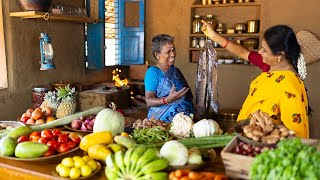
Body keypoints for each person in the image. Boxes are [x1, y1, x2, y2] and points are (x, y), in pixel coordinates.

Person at [201, 20, 311, 138]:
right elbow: (243, 52)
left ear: (280, 55)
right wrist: (212, 35)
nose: (260, 52)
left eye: (264, 50)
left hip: (264, 148)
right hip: (246, 138)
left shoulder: (290, 86)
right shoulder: (270, 65)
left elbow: (295, 135)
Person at [144, 34, 194, 122]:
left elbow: (187, 96)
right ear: (157, 55)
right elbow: (149, 101)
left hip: (182, 122)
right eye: (168, 52)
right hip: (160, 123)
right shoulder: (153, 72)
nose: (173, 54)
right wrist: (167, 100)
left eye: (173, 49)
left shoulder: (175, 71)